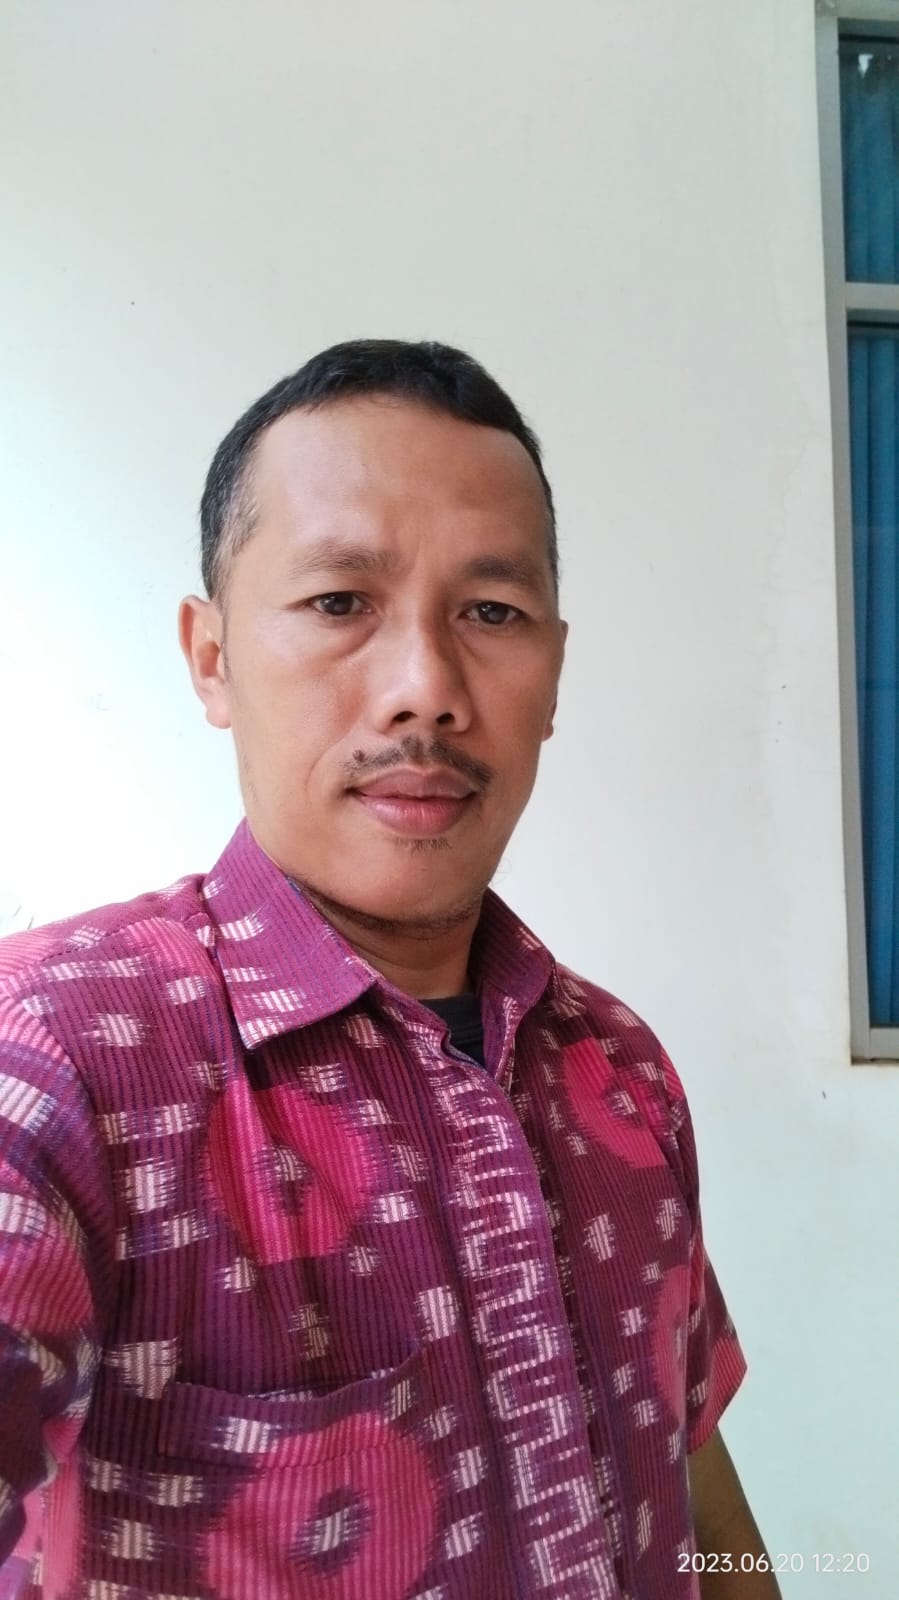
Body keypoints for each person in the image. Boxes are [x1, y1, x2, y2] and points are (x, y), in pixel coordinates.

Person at [0, 340, 780, 1600]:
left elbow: (688, 1461)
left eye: (490, 612)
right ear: (211, 657)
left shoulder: (617, 1065)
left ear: (553, 671)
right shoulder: (53, 1062)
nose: (425, 691)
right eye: (337, 601)